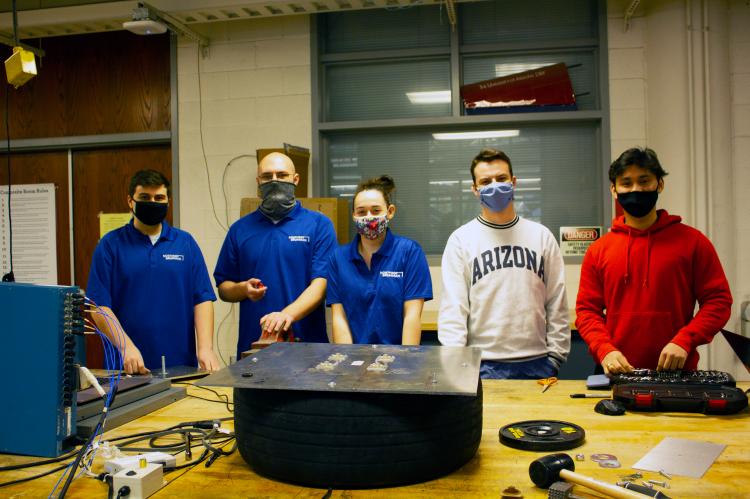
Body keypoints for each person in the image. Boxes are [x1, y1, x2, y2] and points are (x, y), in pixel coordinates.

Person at [576, 147, 732, 374]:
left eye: (644, 180)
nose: (636, 189)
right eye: (626, 183)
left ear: (659, 184)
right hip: (616, 371)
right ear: (614, 189)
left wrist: (685, 340)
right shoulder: (598, 250)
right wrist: (604, 349)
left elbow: (718, 302)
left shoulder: (693, 242)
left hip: (677, 372)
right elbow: (587, 310)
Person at [438, 148, 570, 379]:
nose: (494, 186)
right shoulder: (461, 239)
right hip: (482, 365)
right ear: (475, 189)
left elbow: (557, 302)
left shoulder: (541, 236)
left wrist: (555, 358)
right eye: (486, 181)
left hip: (538, 363)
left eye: (501, 179)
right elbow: (454, 310)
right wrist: (457, 366)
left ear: (514, 181)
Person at [87, 169, 220, 374]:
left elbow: (201, 298)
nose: (152, 202)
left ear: (167, 201)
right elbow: (98, 307)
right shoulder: (110, 245)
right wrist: (125, 347)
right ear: (130, 201)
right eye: (144, 197)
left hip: (180, 364)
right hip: (127, 367)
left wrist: (205, 348)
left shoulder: (185, 243)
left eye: (159, 197)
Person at [214, 152, 337, 357]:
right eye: (267, 176)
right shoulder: (239, 229)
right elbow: (224, 288)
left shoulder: (318, 225)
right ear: (258, 182)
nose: (274, 181)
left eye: (282, 175)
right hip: (254, 347)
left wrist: (286, 315)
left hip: (307, 346)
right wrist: (243, 289)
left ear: (295, 180)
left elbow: (321, 284)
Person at [326, 175, 432, 345]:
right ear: (354, 215)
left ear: (390, 212)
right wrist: (347, 364)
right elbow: (339, 318)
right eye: (361, 212)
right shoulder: (337, 258)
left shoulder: (409, 252)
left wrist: (407, 361)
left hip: (398, 359)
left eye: (376, 211)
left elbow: (412, 316)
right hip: (355, 360)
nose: (369, 217)